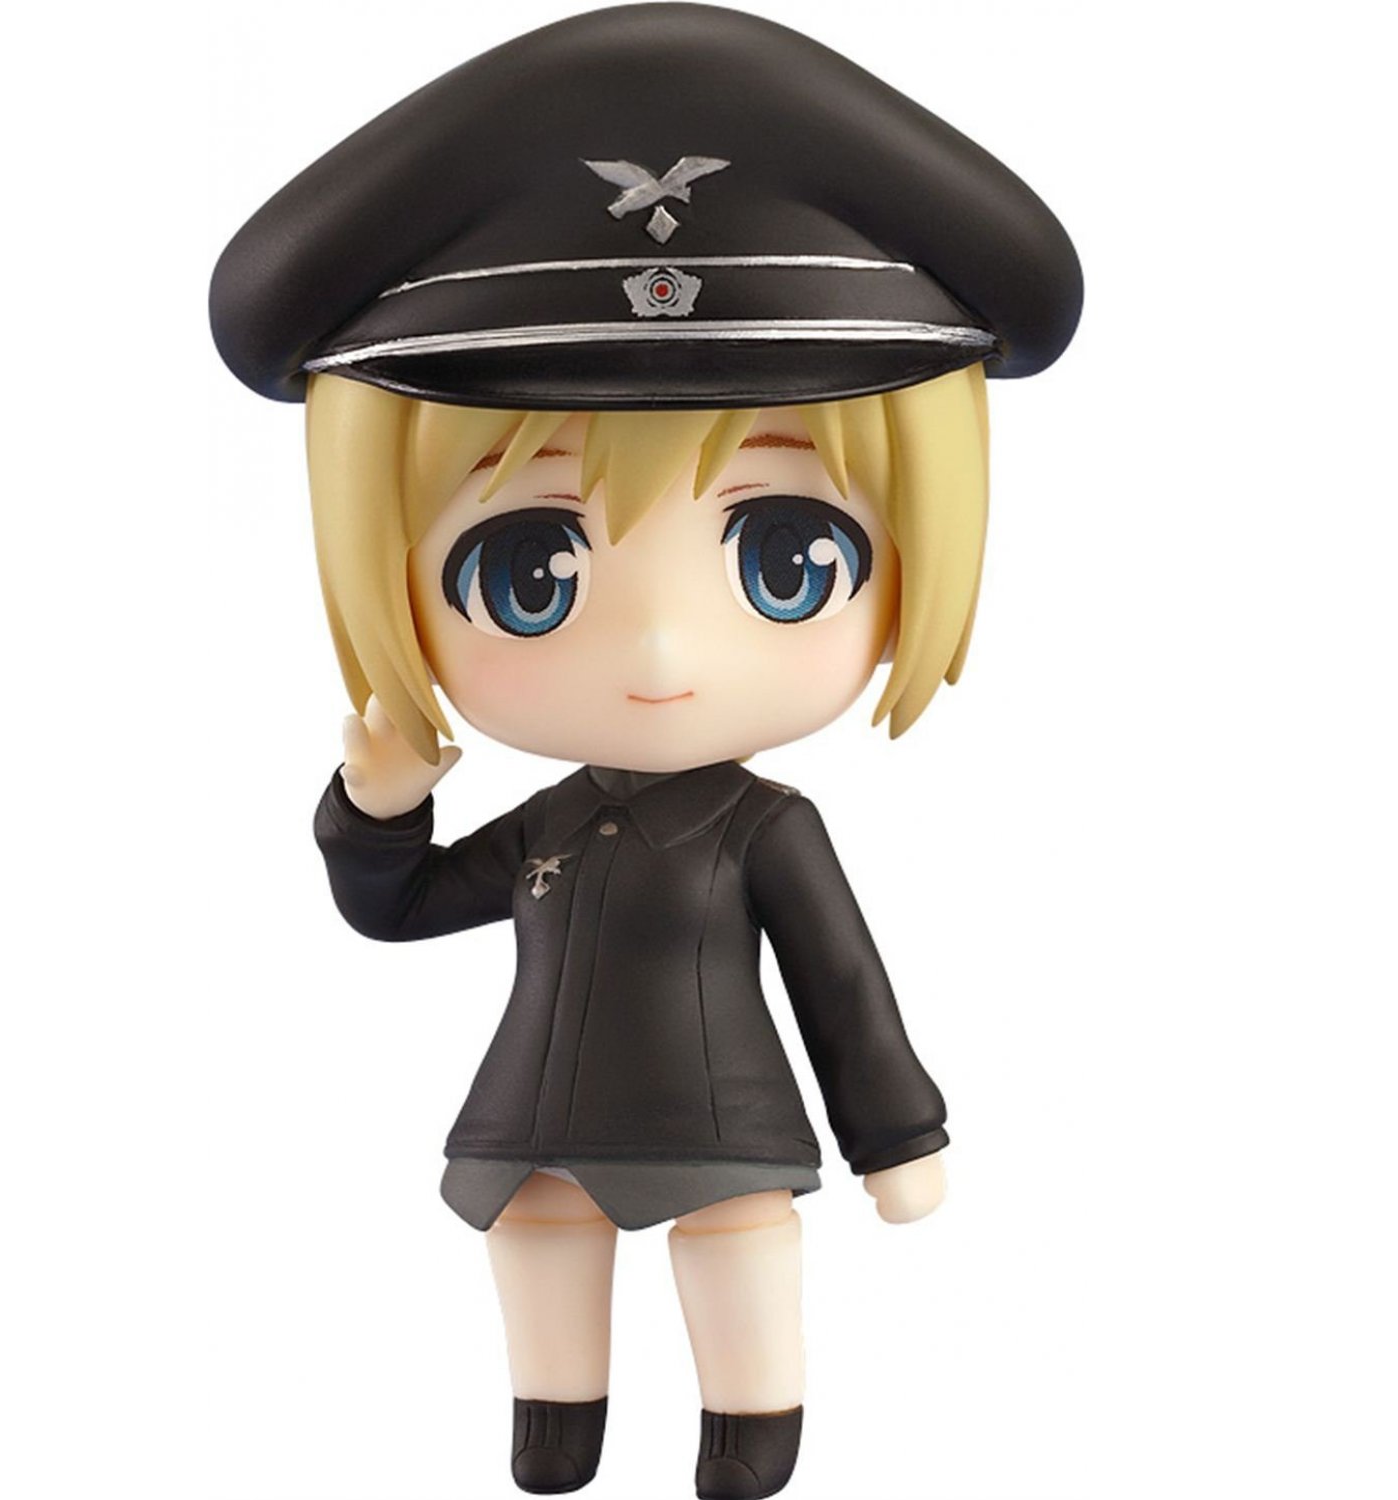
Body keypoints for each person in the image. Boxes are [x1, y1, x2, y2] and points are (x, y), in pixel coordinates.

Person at [209, 6, 1081, 1495]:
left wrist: (898, 1137)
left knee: (737, 1237)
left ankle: (752, 1431)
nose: (665, 654)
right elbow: (400, 909)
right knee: (537, 1231)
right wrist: (375, 810)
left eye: (786, 558)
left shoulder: (767, 830)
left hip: (723, 1123)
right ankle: (555, 1426)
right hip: (534, 1120)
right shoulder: (548, 825)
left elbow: (842, 984)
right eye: (528, 571)